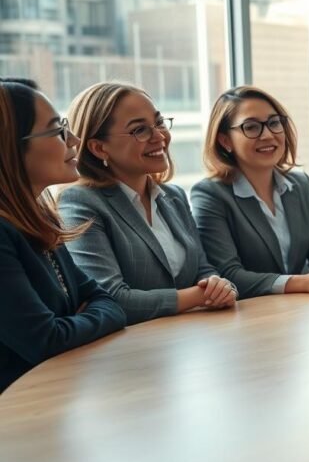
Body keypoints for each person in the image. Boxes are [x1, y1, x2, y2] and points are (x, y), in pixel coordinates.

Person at [59, 82, 237, 325]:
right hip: (131, 353)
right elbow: (109, 298)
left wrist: (219, 285)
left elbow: (202, 269)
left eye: (159, 122)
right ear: (99, 148)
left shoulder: (173, 196)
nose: (159, 136)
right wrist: (198, 296)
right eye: (140, 130)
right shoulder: (81, 203)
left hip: (189, 340)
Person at [0, 77, 127, 394]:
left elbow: (108, 302)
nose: (73, 138)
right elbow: (45, 340)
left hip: (55, 395)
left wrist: (80, 318)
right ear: (11, 146)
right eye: (57, 130)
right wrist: (86, 317)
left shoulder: (36, 220)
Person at [190, 86, 309, 299]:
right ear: (225, 140)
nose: (267, 135)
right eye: (251, 127)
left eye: (274, 123)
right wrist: (303, 282)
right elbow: (228, 275)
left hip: (301, 310)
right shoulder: (210, 194)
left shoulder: (300, 184)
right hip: (247, 317)